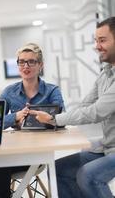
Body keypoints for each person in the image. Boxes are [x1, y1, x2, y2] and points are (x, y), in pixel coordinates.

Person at [29, 16, 115, 198]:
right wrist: (56, 119)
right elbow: (85, 104)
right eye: (95, 40)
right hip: (109, 146)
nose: (97, 46)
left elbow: (96, 111)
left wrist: (53, 119)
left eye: (102, 40)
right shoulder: (105, 74)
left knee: (88, 175)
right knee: (59, 170)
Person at [0, 43, 65, 198]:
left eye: (31, 61)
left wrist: (44, 119)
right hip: (15, 151)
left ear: (40, 65)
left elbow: (62, 119)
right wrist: (14, 117)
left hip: (39, 154)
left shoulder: (52, 91)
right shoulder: (9, 92)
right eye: (21, 62)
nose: (26, 66)